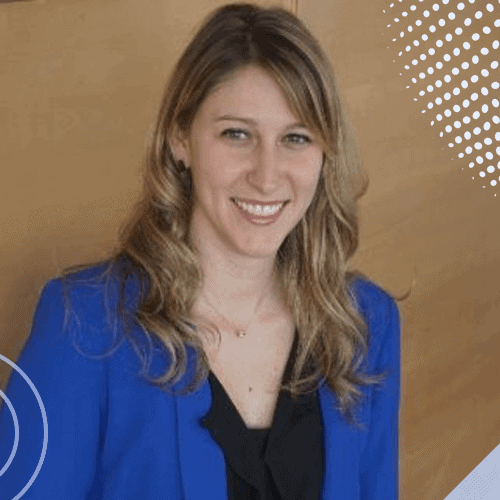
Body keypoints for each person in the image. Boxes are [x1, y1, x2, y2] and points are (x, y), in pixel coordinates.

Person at [0, 3, 403, 499]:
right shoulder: (84, 325)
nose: (267, 175)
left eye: (296, 138)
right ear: (180, 139)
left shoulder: (365, 325)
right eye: (237, 134)